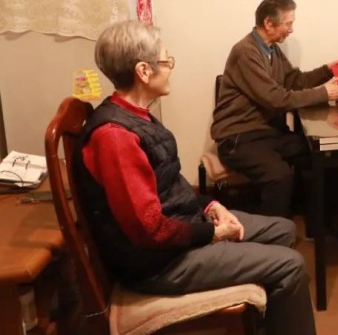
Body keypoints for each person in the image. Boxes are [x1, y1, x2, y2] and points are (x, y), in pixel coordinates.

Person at [73, 21, 316, 335]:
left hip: (180, 230)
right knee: (291, 265)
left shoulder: (136, 115)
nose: (170, 69)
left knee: (283, 229)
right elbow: (149, 230)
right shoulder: (115, 137)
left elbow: (169, 185)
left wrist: (211, 205)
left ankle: (264, 324)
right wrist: (212, 233)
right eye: (166, 61)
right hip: (160, 264)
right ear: (144, 71)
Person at [211, 0, 338, 218]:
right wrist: (325, 93)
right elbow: (276, 99)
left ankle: (319, 220)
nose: (291, 30)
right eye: (288, 23)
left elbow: (295, 81)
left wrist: (328, 69)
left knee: (326, 155)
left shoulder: (271, 50)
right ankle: (271, 234)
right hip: (238, 137)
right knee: (279, 177)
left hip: (267, 133)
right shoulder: (245, 51)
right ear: (269, 23)